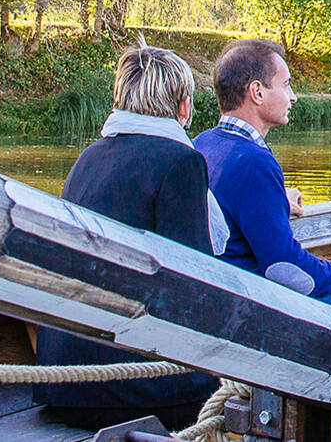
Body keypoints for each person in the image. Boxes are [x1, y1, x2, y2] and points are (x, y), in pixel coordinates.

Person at [193, 38, 331, 442]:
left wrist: (277, 201)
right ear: (257, 92)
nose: (293, 95)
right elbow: (285, 270)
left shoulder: (206, 145)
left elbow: (231, 213)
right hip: (257, 314)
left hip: (223, 303)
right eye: (285, 84)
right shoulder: (255, 163)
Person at [33, 46, 221, 430]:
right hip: (123, 384)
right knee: (255, 385)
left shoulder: (90, 156)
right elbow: (195, 282)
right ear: (184, 107)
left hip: (59, 382)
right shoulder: (180, 161)